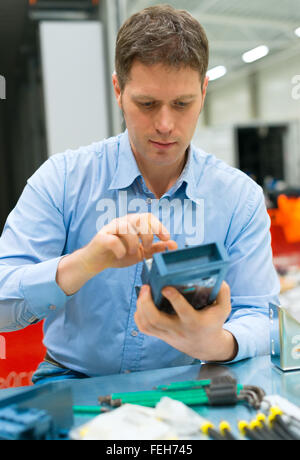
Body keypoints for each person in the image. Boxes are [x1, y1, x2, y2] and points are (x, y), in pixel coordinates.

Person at [0, 5, 280, 384]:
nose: (165, 125)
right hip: (72, 379)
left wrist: (215, 342)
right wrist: (85, 262)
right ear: (118, 90)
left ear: (203, 91)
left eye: (182, 104)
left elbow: (262, 316)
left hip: (190, 381)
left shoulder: (239, 198)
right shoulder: (62, 180)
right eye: (146, 104)